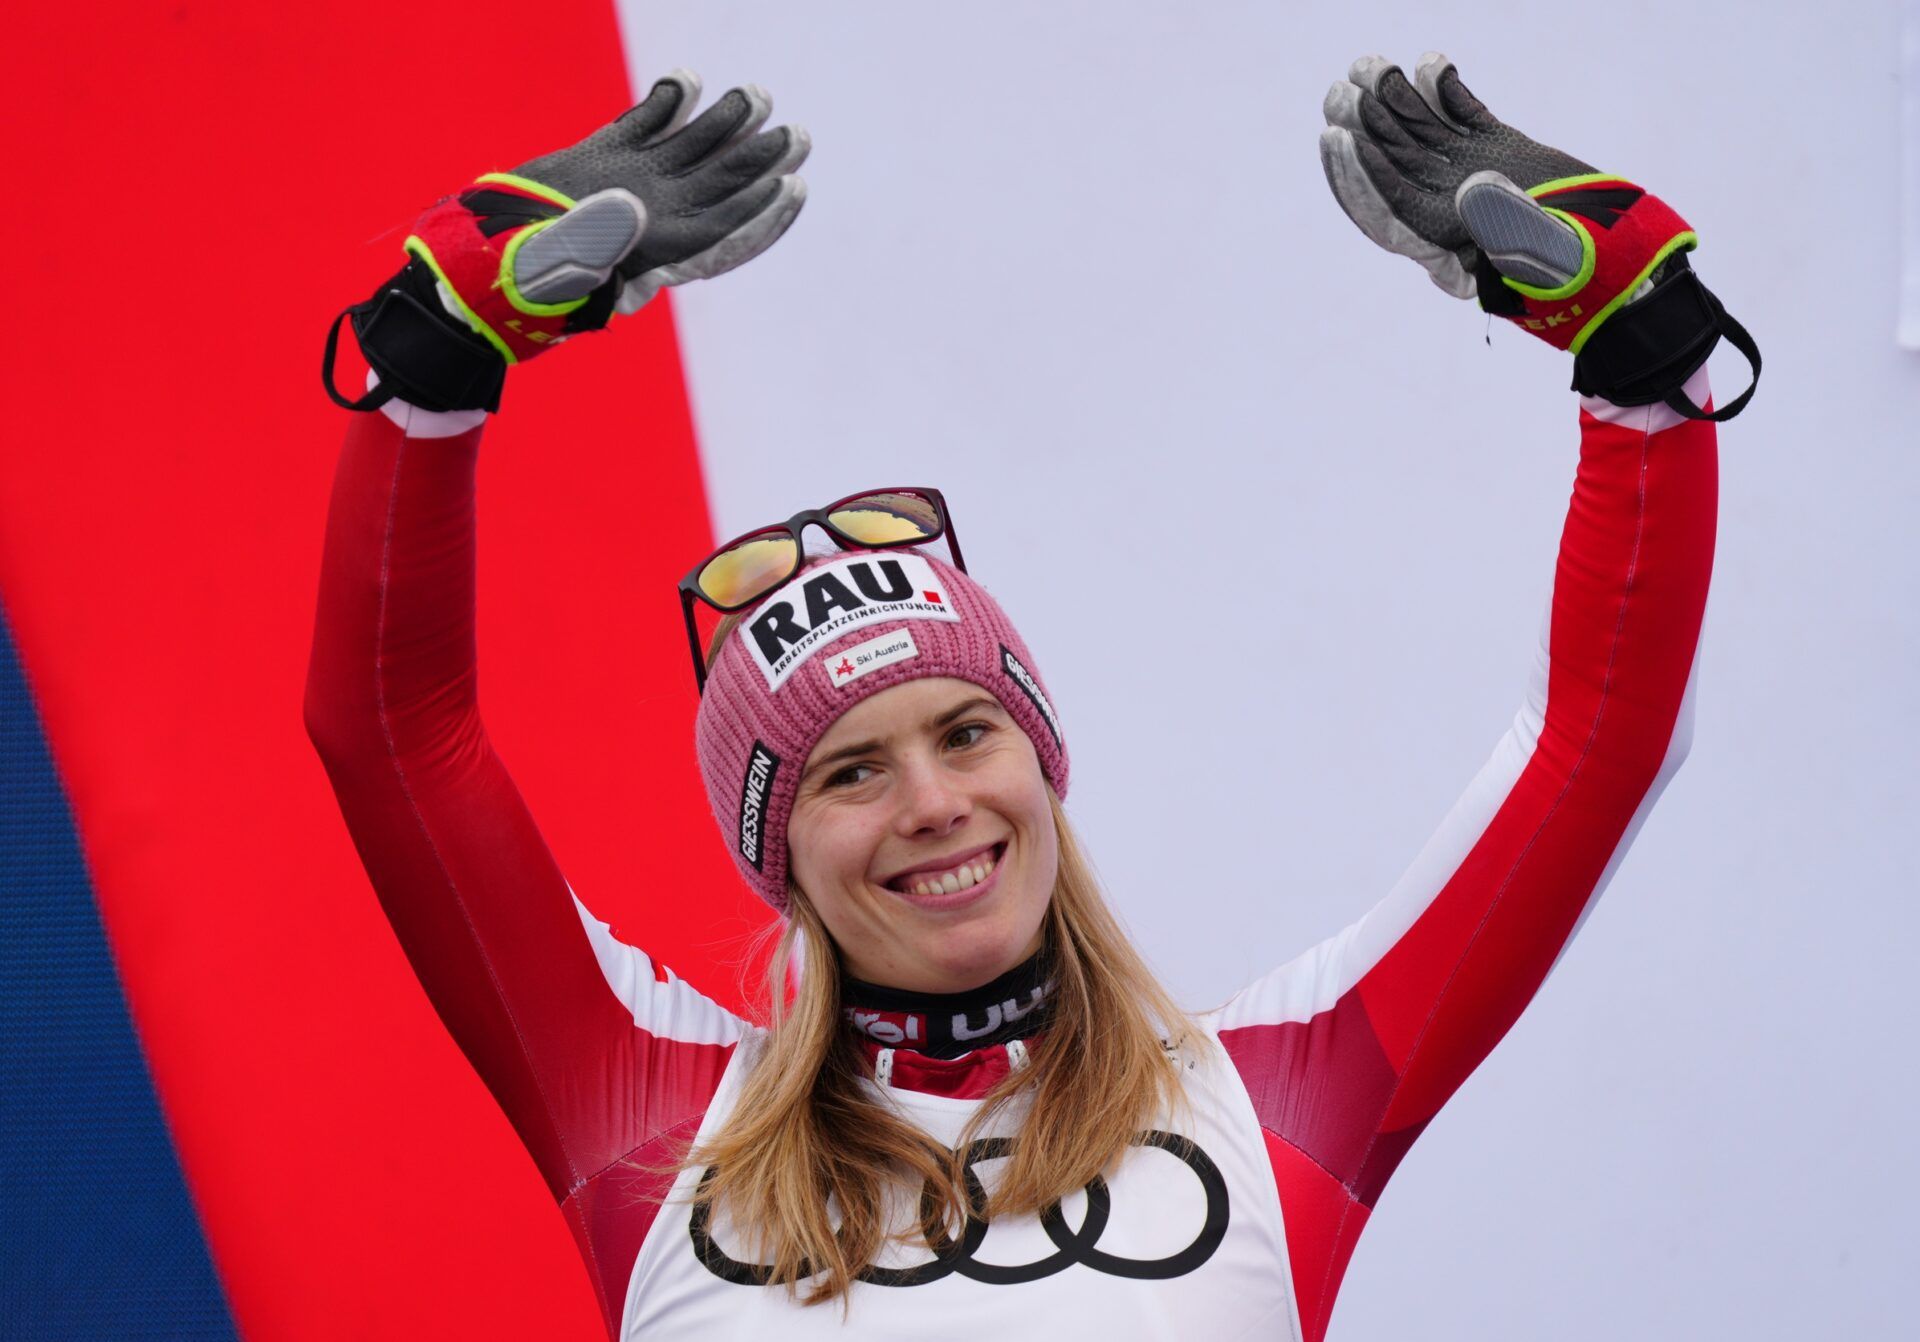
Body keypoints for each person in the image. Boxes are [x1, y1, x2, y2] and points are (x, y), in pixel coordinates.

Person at [305, 55, 1755, 1341]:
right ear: (778, 849)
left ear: (1041, 756)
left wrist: (1644, 364)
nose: (934, 803)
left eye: (965, 729)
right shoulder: (649, 1116)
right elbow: (386, 742)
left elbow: (1597, 744)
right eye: (847, 771)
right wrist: (433, 365)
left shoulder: (1278, 1098)